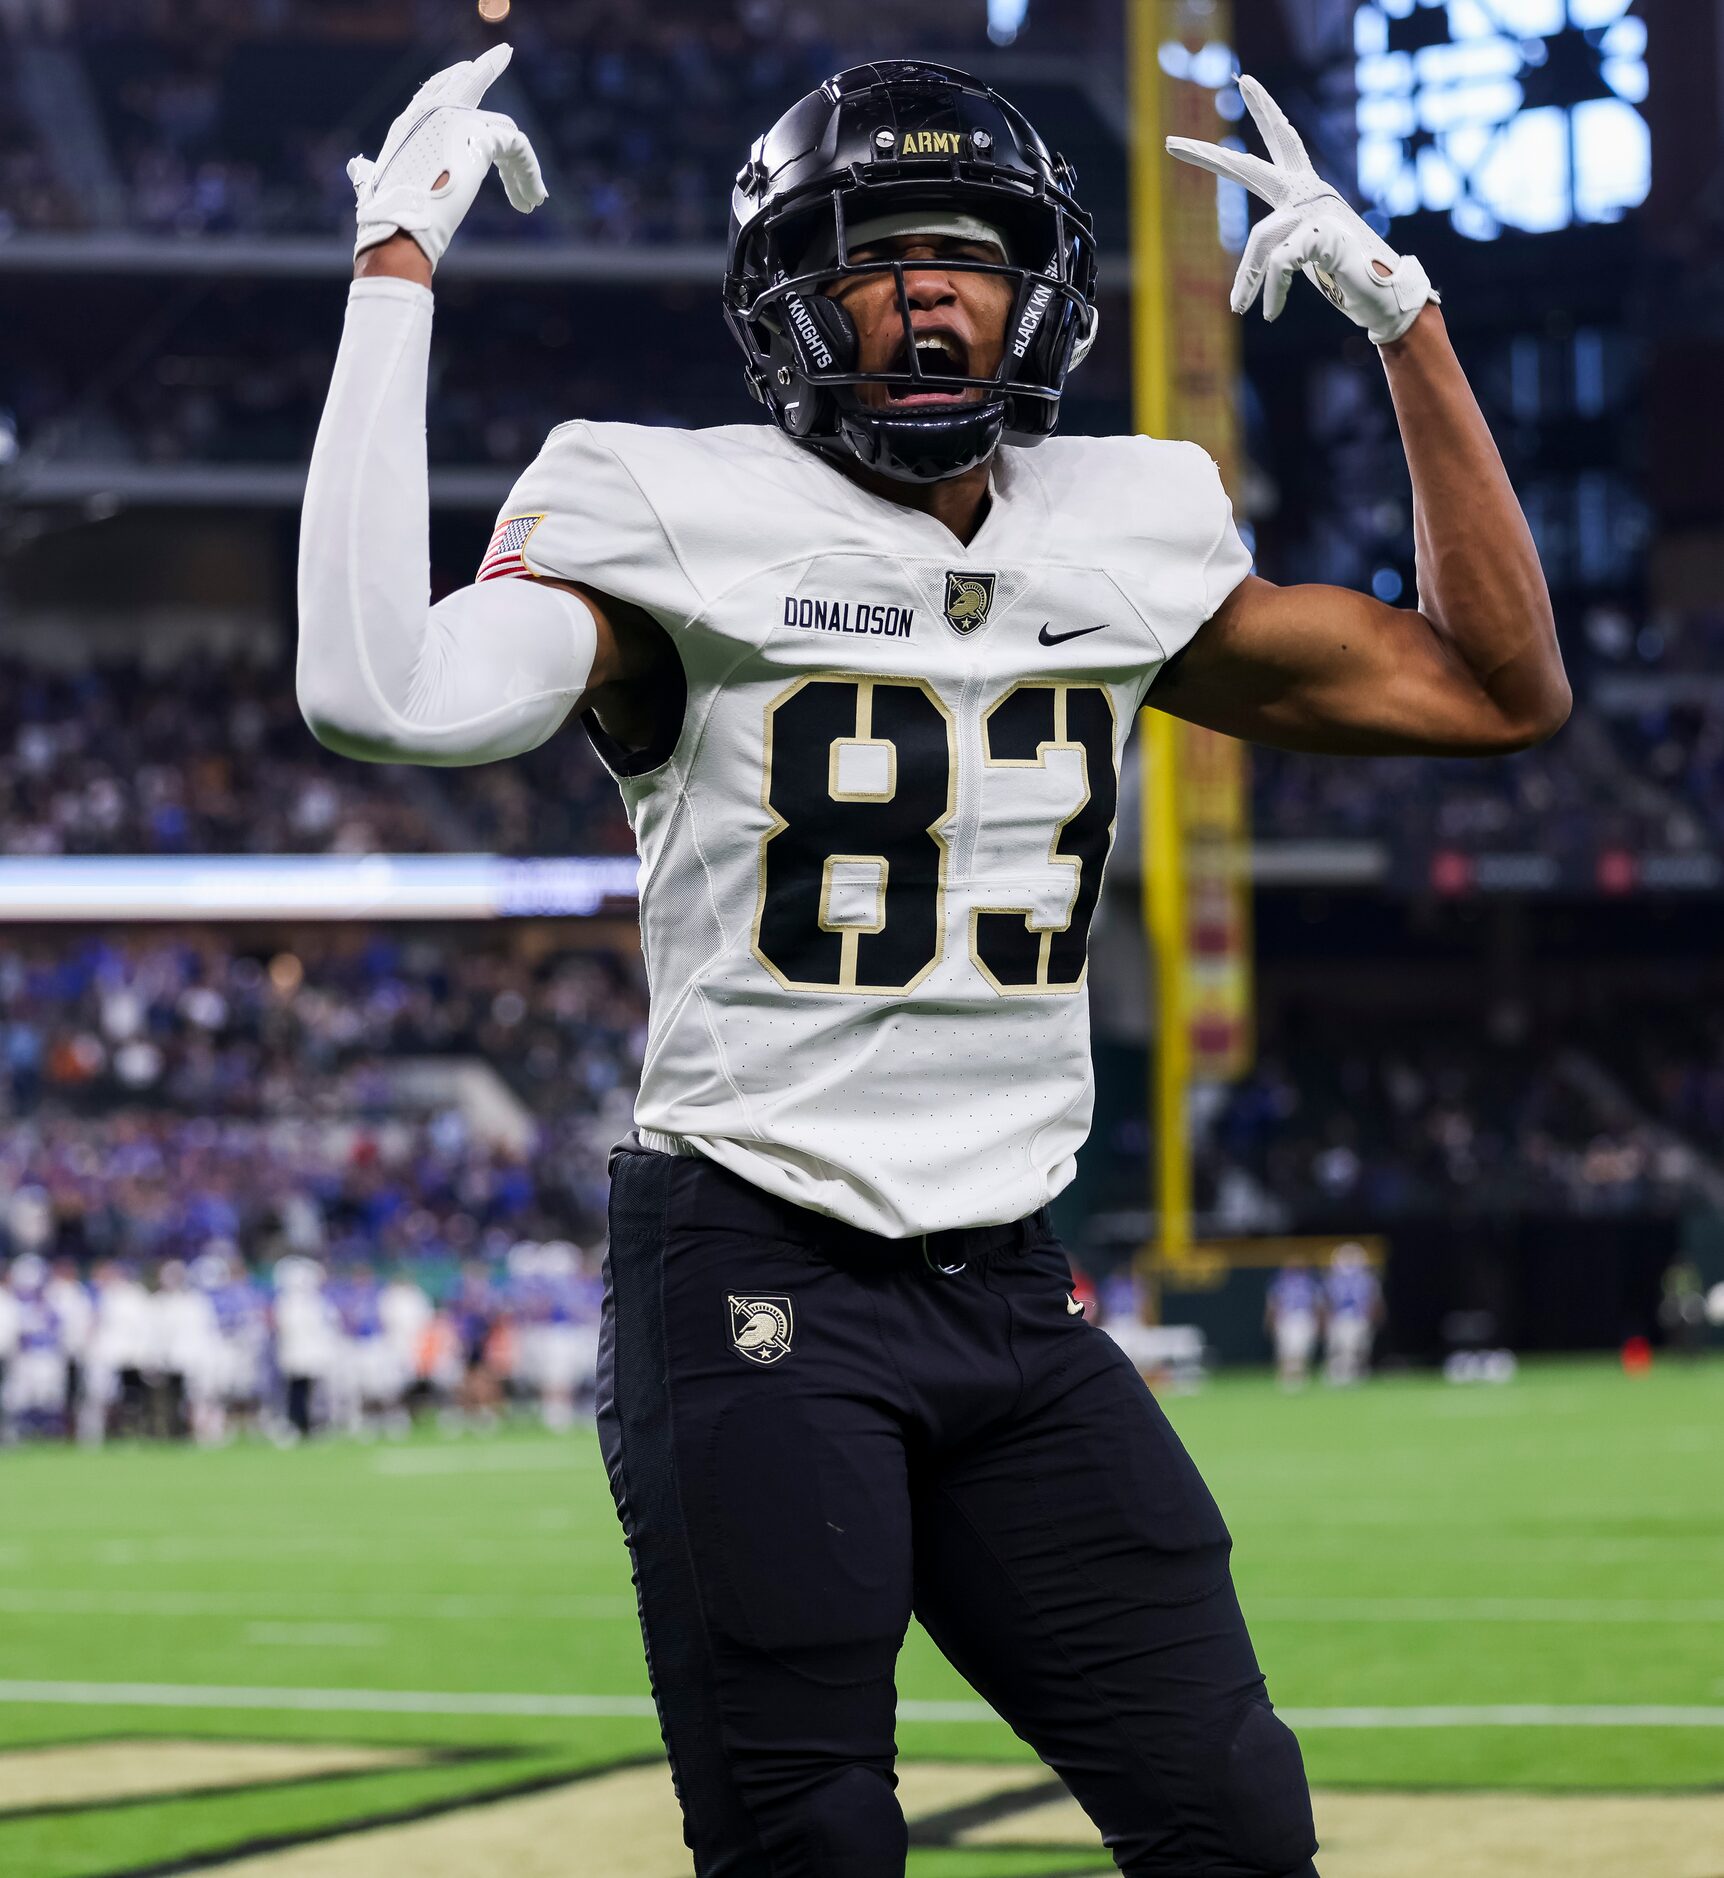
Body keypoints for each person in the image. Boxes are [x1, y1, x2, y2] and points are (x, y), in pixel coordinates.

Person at [296, 52, 1566, 1878]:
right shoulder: (663, 510)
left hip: (1009, 1285)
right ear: (783, 294)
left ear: (1035, 285)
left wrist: (1407, 323)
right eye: (872, 249)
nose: (924, 290)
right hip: (754, 1256)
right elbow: (375, 692)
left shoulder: (1120, 525)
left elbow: (1492, 687)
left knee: (1230, 1817)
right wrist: (394, 270)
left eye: (966, 249)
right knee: (810, 1840)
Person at [1322, 1244, 1382, 1386]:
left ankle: (1356, 1375)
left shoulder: (1367, 1278)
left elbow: (1374, 1300)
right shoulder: (1333, 1278)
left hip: (1358, 1317)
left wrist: (1372, 1317)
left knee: (1358, 1349)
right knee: (1338, 1349)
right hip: (1339, 1317)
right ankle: (1337, 1375)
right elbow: (1326, 1301)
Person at [1266, 1264, 1321, 1390]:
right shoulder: (1280, 1283)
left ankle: (1300, 1378)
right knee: (1285, 1351)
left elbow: (1317, 1304)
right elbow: (1273, 1304)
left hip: (1304, 1317)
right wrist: (1270, 1320)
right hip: (1286, 1318)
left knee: (1301, 1351)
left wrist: (1318, 1321)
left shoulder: (1310, 1283)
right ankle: (1285, 1379)